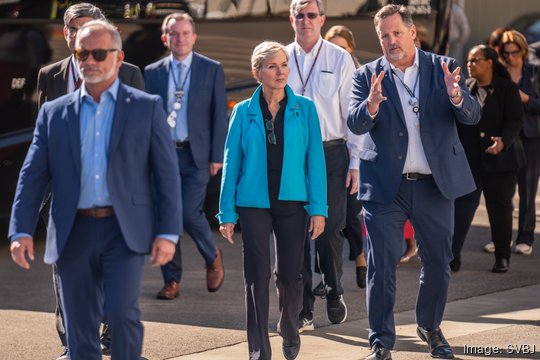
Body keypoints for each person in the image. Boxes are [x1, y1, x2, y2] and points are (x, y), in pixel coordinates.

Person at [8, 20, 181, 359]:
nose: (88, 60)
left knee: (121, 314)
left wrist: (168, 233)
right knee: (79, 325)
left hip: (124, 229)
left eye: (98, 53)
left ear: (118, 58)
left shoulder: (146, 107)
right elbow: (32, 175)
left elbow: (166, 175)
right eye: (81, 53)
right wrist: (21, 230)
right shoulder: (53, 113)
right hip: (73, 230)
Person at [347, 5, 481, 360]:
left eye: (396, 34)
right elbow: (355, 123)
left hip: (434, 186)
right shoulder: (366, 76)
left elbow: (471, 115)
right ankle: (381, 341)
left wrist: (456, 96)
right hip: (385, 188)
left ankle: (430, 326)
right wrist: (372, 105)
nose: (390, 41)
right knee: (382, 266)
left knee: (438, 262)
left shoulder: (444, 67)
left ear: (412, 34)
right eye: (383, 36)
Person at [35, 3, 144, 359]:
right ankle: (72, 346)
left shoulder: (128, 73)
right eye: (75, 29)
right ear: (65, 34)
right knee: (64, 271)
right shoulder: (49, 75)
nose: (82, 36)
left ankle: (114, 337)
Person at [217, 41, 327, 360]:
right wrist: (227, 212)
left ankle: (290, 326)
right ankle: (258, 351)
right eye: (272, 66)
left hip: (293, 202)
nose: (280, 72)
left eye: (283, 65)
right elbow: (231, 163)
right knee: (257, 275)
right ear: (257, 73)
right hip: (253, 202)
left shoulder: (304, 108)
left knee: (291, 275)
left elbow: (315, 163)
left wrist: (318, 209)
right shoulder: (241, 112)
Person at [286, 0, 360, 330]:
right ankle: (302, 308)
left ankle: (333, 288)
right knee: (297, 231)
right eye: (299, 15)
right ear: (292, 19)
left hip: (331, 152)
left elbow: (352, 115)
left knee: (328, 228)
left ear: (322, 19)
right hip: (290, 156)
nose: (305, 20)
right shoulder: (280, 57)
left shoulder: (339, 58)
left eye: (311, 15)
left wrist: (356, 161)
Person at [144, 12, 228, 300]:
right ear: (165, 38)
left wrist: (217, 154)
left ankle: (212, 255)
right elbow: (147, 117)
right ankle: (172, 281)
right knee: (165, 215)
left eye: (184, 33)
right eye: (173, 33)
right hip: (163, 155)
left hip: (197, 155)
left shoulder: (211, 68)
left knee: (188, 213)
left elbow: (219, 114)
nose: (179, 38)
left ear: (194, 36)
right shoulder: (153, 72)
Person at [451, 45, 524, 273]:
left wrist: (503, 141)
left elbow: (514, 121)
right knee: (462, 209)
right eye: (469, 61)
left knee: (500, 210)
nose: (470, 65)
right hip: (471, 162)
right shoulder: (466, 88)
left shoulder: (507, 89)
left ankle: (502, 256)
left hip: (501, 162)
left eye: (476, 60)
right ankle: (452, 256)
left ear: (490, 63)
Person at [322, 24, 366, 289]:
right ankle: (328, 275)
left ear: (350, 50)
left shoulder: (359, 76)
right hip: (329, 154)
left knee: (350, 215)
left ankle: (359, 256)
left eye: (342, 47)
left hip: (353, 156)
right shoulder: (320, 75)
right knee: (326, 219)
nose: (337, 52)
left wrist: (357, 158)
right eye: (332, 47)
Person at [501, 30, 540, 256]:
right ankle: (501, 236)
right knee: (503, 191)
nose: (510, 57)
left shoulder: (534, 72)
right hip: (507, 135)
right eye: (506, 53)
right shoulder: (501, 73)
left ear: (523, 51)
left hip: (530, 136)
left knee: (527, 188)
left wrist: (526, 99)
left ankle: (525, 237)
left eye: (514, 52)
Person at [447, 0, 470, 66]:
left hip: (454, 42)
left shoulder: (456, 10)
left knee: (455, 63)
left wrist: (460, 42)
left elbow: (465, 28)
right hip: (443, 43)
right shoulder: (442, 9)